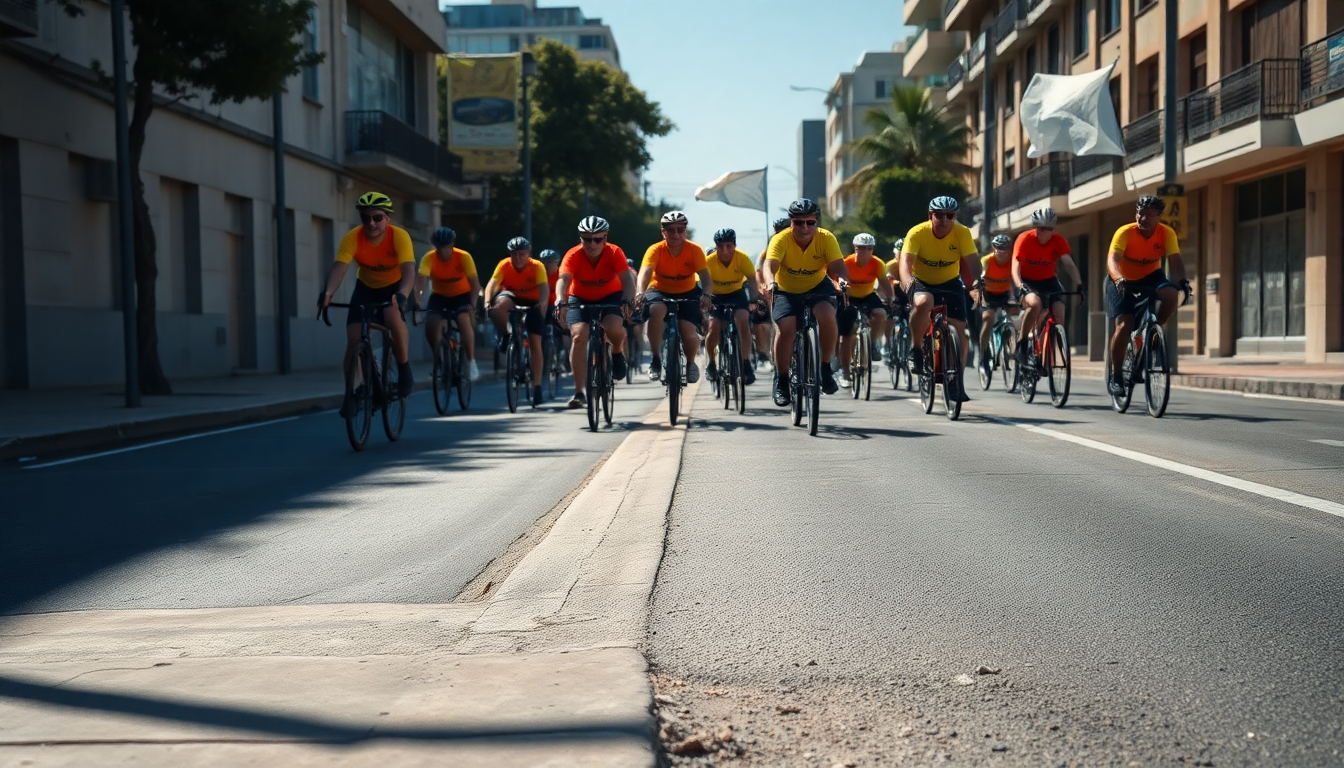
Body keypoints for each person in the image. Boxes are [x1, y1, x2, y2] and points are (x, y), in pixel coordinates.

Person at [319, 192, 416, 417]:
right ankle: (351, 394)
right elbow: (339, 268)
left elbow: (409, 269)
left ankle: (403, 368)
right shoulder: (353, 238)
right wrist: (328, 292)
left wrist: (403, 293)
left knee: (393, 319)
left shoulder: (399, 236)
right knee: (354, 340)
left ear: (388, 218)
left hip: (396, 287)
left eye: (377, 217)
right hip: (366, 288)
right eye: (365, 218)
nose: (371, 223)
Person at [763, 199, 850, 406]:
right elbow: (770, 265)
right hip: (786, 290)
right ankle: (782, 381)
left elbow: (838, 266)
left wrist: (843, 280)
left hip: (817, 286)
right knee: (786, 328)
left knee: (828, 316)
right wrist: (770, 283)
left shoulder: (826, 238)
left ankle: (825, 368)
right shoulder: (780, 239)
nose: (804, 227)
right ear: (791, 222)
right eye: (799, 222)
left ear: (816, 222)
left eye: (810, 222)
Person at [1105, 195, 1190, 396]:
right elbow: (1112, 260)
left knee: (1171, 293)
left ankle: (1155, 330)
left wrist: (1183, 282)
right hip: (1121, 279)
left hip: (1151, 276)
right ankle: (1116, 376)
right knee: (1124, 324)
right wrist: (1118, 278)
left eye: (1149, 215)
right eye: (1140, 214)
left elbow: (1175, 261)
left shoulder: (1166, 233)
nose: (1143, 219)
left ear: (1158, 217)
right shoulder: (1125, 232)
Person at [898, 196, 979, 402]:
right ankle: (916, 349)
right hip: (922, 281)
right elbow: (905, 264)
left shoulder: (963, 233)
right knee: (923, 303)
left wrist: (977, 284)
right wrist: (908, 286)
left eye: (949, 216)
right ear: (930, 216)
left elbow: (973, 263)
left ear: (954, 217)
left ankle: (956, 381)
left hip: (951, 281)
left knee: (961, 332)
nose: (944, 220)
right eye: (939, 215)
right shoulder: (917, 233)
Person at [556, 216, 635, 409]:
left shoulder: (614, 252)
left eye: (597, 239)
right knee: (578, 336)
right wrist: (560, 300)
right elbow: (563, 280)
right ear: (580, 238)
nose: (591, 243)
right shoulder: (573, 255)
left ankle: (616, 352)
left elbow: (627, 281)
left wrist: (627, 300)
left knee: (614, 328)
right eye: (586, 239)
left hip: (611, 296)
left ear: (605, 238)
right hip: (580, 297)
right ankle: (578, 392)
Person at [638, 211, 713, 384]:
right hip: (659, 290)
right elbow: (645, 272)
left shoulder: (694, 250)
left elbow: (705, 277)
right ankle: (656, 358)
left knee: (688, 331)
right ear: (663, 232)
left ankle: (690, 362)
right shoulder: (655, 250)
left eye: (680, 229)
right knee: (656, 310)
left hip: (687, 291)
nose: (676, 234)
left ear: (685, 231)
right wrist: (640, 293)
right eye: (671, 230)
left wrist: (707, 294)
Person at [1012, 207, 1085, 363]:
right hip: (1026, 280)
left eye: (1049, 229)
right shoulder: (1024, 239)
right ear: (1035, 227)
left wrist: (1079, 284)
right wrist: (1020, 286)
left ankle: (1048, 354)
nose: (1045, 233)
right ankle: (1023, 343)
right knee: (1035, 303)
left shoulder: (1058, 240)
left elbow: (1068, 263)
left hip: (1048, 280)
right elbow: (1015, 266)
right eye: (1041, 229)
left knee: (1059, 310)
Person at [485, 237, 549, 407]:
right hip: (512, 297)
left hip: (533, 301)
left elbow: (544, 287)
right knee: (498, 305)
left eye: (522, 254)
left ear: (528, 253)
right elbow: (492, 284)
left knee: (535, 342)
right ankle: (506, 336)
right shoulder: (504, 265)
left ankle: (536, 386)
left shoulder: (537, 266)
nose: (518, 257)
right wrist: (486, 301)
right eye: (515, 254)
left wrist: (543, 302)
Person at [413, 227, 480, 384]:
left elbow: (475, 285)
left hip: (462, 295)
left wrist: (473, 304)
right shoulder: (428, 258)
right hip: (439, 296)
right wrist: (416, 300)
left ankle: (471, 361)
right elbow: (420, 282)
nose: (443, 252)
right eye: (439, 248)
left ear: (452, 245)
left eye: (446, 248)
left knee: (463, 319)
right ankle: (439, 361)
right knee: (431, 325)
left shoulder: (464, 257)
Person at [835, 233, 895, 388]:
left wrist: (890, 298)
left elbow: (884, 282)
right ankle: (845, 371)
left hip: (867, 295)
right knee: (846, 336)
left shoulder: (877, 263)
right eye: (863, 248)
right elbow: (837, 282)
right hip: (848, 297)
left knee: (880, 313)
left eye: (870, 248)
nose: (867, 251)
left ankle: (873, 342)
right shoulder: (846, 263)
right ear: (856, 249)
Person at [704, 228, 759, 386]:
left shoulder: (742, 258)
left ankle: (746, 362)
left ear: (734, 245)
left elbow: (752, 280)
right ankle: (711, 363)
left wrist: (754, 299)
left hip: (736, 293)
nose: (725, 250)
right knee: (714, 326)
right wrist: (704, 298)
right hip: (715, 296)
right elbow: (701, 282)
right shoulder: (708, 261)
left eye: (728, 246)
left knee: (743, 320)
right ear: (716, 247)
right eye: (721, 246)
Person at [971, 234, 1020, 373]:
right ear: (993, 248)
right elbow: (981, 275)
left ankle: (1013, 348)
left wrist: (1014, 298)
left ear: (1009, 249)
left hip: (1005, 294)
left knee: (1015, 318)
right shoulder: (987, 260)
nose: (1001, 251)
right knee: (988, 319)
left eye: (1004, 248)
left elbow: (1013, 280)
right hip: (989, 294)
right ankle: (982, 355)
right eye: (998, 247)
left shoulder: (1012, 261)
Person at [751, 217, 792, 368]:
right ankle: (772, 358)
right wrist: (761, 286)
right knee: (773, 322)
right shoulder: (768, 250)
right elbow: (759, 270)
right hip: (775, 289)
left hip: (797, 288)